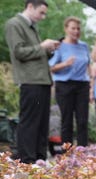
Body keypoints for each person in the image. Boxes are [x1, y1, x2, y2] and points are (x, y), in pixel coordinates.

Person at [4, 0, 60, 163]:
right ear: (30, 7)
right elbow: (19, 52)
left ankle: (40, 159)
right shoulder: (14, 24)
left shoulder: (31, 27)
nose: (43, 17)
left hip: (42, 80)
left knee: (42, 122)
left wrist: (49, 50)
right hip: (30, 80)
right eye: (41, 12)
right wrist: (43, 46)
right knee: (30, 121)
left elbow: (34, 55)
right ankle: (27, 160)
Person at [48, 16, 90, 148]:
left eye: (78, 28)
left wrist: (92, 83)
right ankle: (68, 155)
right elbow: (51, 68)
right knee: (67, 121)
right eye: (73, 28)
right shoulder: (59, 46)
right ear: (66, 29)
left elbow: (88, 65)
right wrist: (65, 64)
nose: (76, 31)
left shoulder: (84, 46)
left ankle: (83, 153)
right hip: (65, 86)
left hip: (82, 86)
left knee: (82, 121)